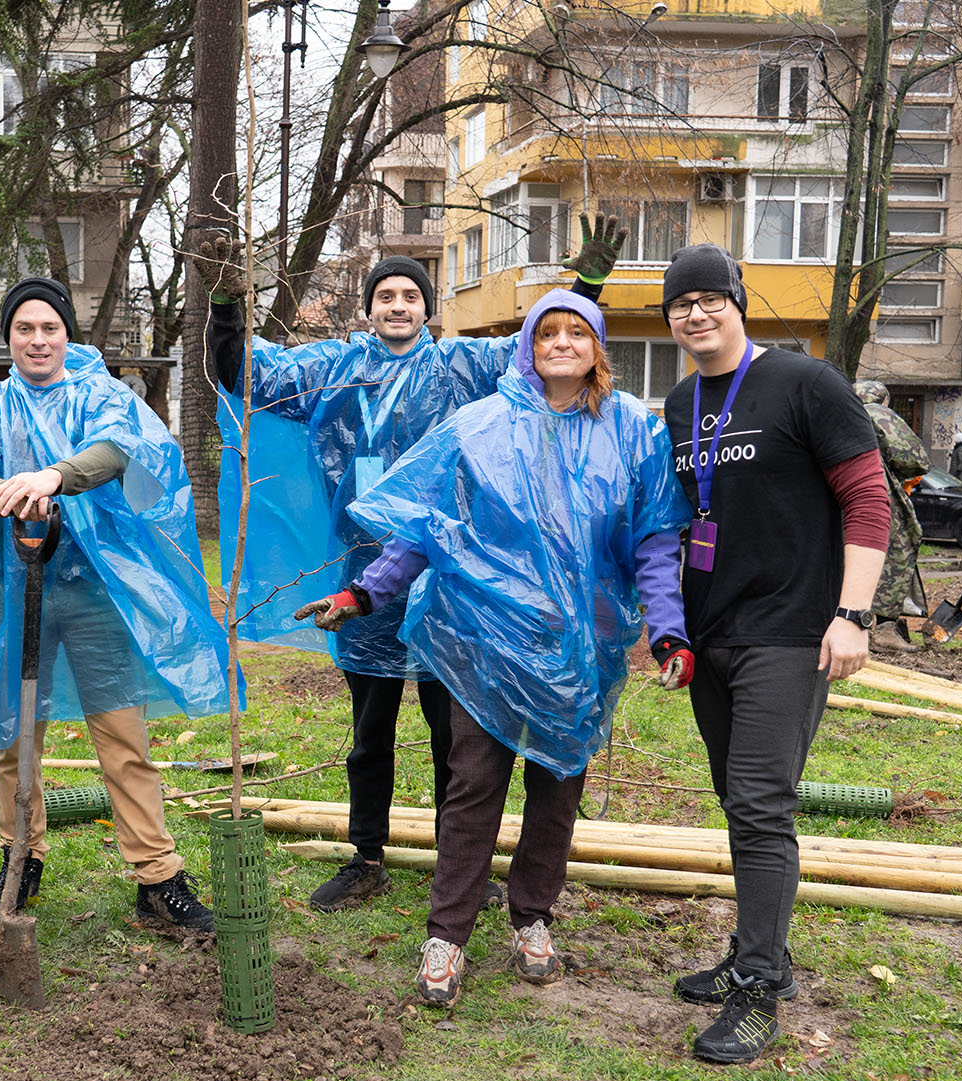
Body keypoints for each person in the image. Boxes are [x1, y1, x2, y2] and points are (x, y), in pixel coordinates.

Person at [198, 216, 625, 914]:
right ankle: (367, 856)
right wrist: (222, 307)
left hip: (450, 579)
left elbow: (548, 347)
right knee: (369, 735)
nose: (398, 305)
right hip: (364, 574)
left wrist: (588, 284)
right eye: (386, 295)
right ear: (368, 307)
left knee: (456, 736)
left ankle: (453, 862)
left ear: (429, 308)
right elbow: (243, 373)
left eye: (410, 295)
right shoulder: (333, 367)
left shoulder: (460, 365)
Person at [295, 288, 693, 1007]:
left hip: (578, 650)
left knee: (557, 783)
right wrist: (363, 593)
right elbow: (423, 526)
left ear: (598, 346)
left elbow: (657, 540)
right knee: (472, 782)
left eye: (579, 332)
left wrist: (667, 629)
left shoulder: (635, 432)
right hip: (484, 642)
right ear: (528, 347)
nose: (563, 343)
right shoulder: (478, 426)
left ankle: (533, 916)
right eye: (549, 333)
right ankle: (446, 932)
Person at [0, 277, 230, 935]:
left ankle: (157, 879)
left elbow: (116, 451)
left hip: (93, 591)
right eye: (24, 328)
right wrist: (4, 490)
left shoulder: (100, 395)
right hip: (11, 587)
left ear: (67, 334)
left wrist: (54, 476)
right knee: (15, 735)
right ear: (8, 336)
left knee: (122, 737)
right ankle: (20, 860)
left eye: (49, 327)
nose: (38, 339)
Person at [658, 244, 890, 1064]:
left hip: (791, 631)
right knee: (737, 798)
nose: (695, 314)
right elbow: (685, 521)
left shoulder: (804, 383)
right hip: (712, 633)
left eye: (709, 298)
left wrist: (852, 613)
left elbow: (867, 494)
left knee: (760, 803)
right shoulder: (682, 401)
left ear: (737, 301)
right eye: (680, 304)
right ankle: (764, 952)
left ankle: (759, 990)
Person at [853, 380, 931, 654]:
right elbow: (914, 459)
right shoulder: (875, 411)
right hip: (873, 489)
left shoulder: (835, 411)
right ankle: (884, 629)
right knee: (897, 548)